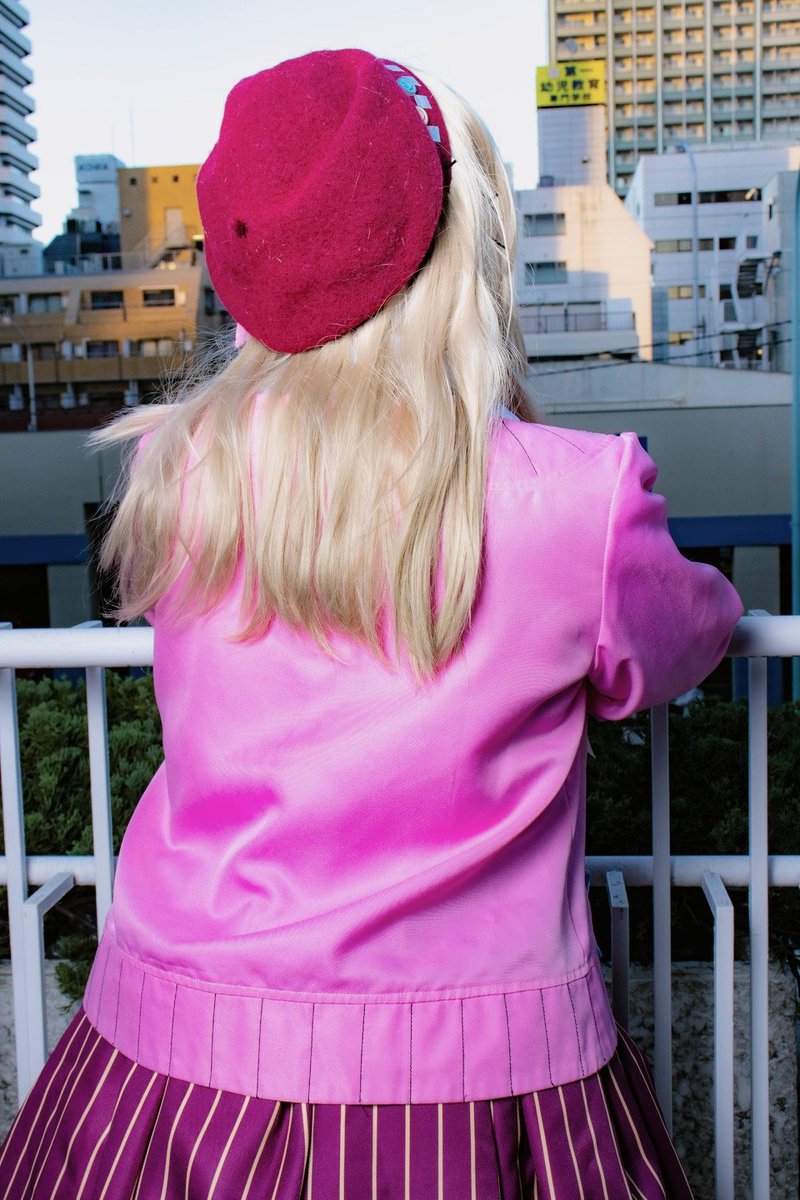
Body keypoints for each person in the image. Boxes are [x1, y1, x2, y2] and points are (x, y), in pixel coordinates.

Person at [0, 49, 742, 1199]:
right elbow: (681, 640)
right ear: (452, 247)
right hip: (477, 1080)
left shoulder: (179, 472)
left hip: (165, 1054)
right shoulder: (574, 497)